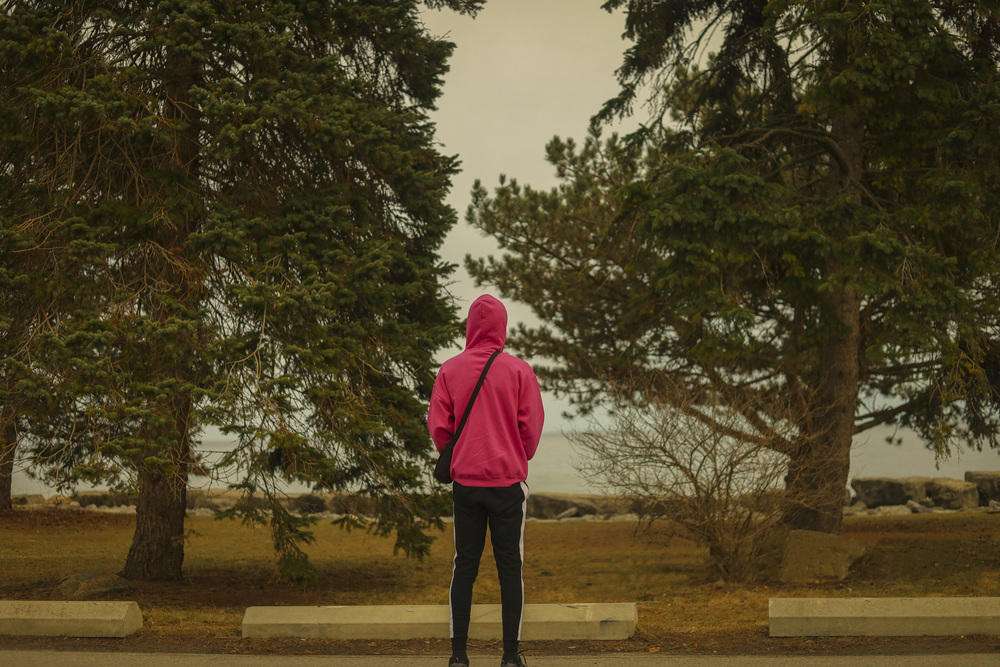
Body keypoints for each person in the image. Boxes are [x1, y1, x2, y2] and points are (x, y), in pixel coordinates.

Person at [428, 294, 544, 667]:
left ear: (470, 328)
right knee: (510, 566)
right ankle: (510, 656)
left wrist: (461, 456)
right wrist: (514, 455)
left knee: (465, 566)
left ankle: (458, 655)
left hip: (466, 485)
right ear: (502, 328)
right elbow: (531, 429)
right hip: (508, 485)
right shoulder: (520, 370)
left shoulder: (449, 370)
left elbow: (440, 427)